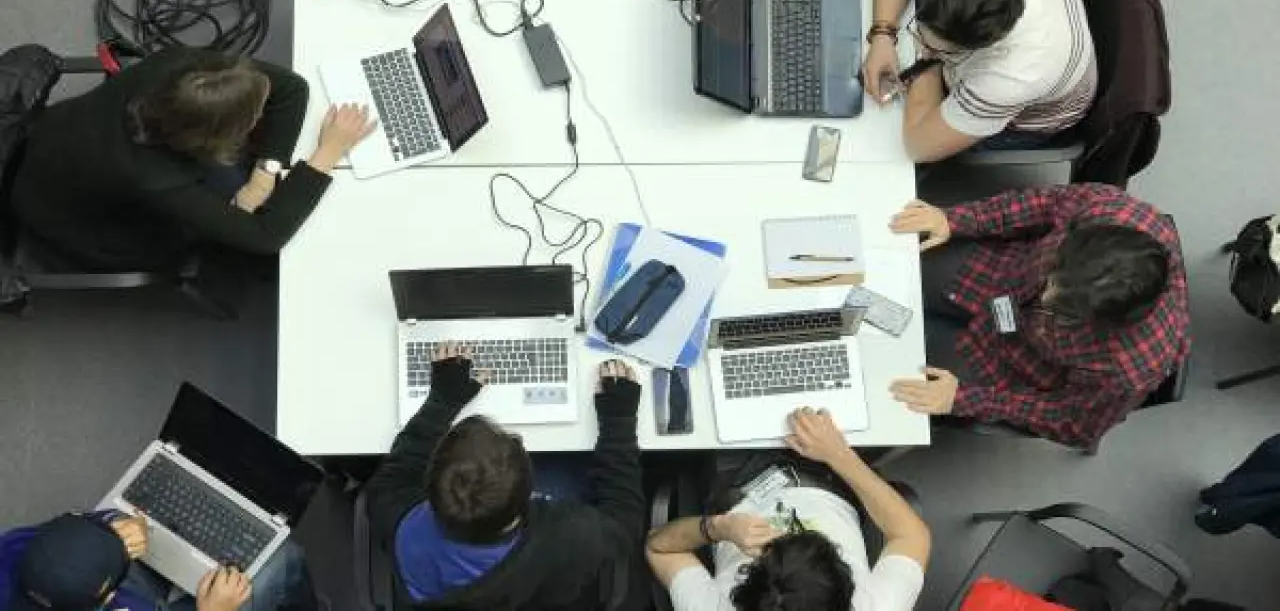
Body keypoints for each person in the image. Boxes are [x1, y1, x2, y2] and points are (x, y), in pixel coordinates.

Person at [11, 46, 376, 271]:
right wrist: (326, 155)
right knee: (244, 237)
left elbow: (291, 89)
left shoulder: (180, 69)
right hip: (69, 216)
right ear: (214, 141)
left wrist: (265, 174)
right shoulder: (153, 178)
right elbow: (265, 238)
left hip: (52, 136)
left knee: (252, 187)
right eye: (251, 120)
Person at [887, 184, 1190, 448]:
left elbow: (1071, 421)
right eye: (1054, 277)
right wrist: (958, 219)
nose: (1044, 297)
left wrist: (966, 399)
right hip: (997, 274)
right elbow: (1045, 202)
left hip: (1008, 365)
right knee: (891, 256)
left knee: (889, 374)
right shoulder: (1115, 211)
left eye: (1064, 311)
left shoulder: (1129, 369)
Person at [364, 343, 649, 611]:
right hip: (534, 584)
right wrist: (618, 423)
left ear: (430, 482)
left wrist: (443, 400)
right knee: (568, 471)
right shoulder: (567, 540)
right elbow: (625, 523)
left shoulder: (400, 522)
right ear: (530, 496)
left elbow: (399, 468)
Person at [646, 408, 930, 611]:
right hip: (831, 479)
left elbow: (658, 548)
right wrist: (839, 455)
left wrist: (717, 528)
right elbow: (911, 535)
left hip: (737, 485)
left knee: (717, 407)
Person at [862, 0, 1097, 162]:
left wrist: (925, 67)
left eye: (937, 49)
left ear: (982, 48)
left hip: (1035, 118)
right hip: (1057, 32)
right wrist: (883, 35)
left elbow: (918, 146)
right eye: (919, 32)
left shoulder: (1010, 78)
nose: (923, 48)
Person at [0, 511, 315, 610]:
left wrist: (113, 522)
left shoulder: (13, 546)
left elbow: (82, 520)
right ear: (107, 598)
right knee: (281, 560)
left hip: (136, 597)